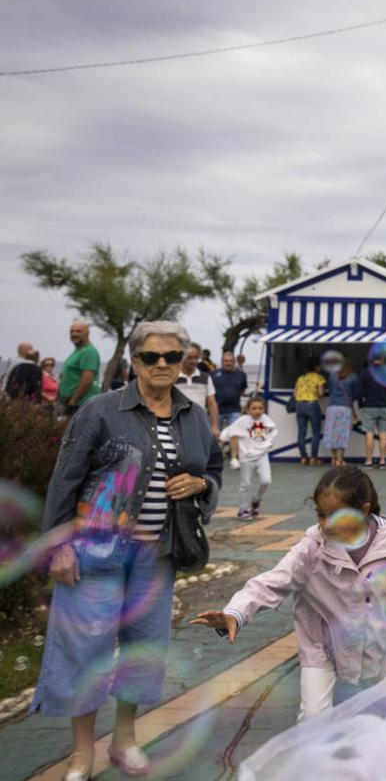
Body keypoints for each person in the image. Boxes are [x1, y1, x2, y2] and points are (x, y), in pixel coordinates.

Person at [33, 321, 222, 781]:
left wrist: (201, 484)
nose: (162, 365)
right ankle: (82, 754)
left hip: (159, 555)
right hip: (96, 554)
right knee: (85, 652)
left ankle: (124, 740)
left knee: (145, 650)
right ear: (134, 361)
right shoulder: (100, 411)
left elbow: (213, 468)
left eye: (172, 357)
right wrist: (58, 547)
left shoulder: (194, 417)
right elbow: (65, 479)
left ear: (184, 361)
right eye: (150, 357)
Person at [190, 466, 386, 721]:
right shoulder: (311, 549)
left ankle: (371, 757)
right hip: (320, 645)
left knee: (378, 707)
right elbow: (271, 581)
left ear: (364, 511)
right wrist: (235, 613)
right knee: (314, 716)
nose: (325, 525)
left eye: (334, 516)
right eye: (320, 515)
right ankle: (315, 758)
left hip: (371, 641)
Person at [220, 395, 278, 520]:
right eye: (254, 408)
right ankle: (243, 510)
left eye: (260, 408)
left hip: (262, 455)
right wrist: (234, 457)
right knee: (245, 484)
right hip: (246, 457)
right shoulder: (242, 421)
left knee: (266, 481)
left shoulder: (266, 420)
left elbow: (273, 431)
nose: (257, 411)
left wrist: (269, 442)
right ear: (247, 410)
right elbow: (233, 436)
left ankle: (256, 501)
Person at [358, 357, 386, 470]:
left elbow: (359, 391)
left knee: (369, 434)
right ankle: (382, 461)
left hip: (369, 406)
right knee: (383, 434)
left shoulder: (365, 373)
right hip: (384, 406)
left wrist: (361, 404)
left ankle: (369, 461)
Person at [59, 321, 102, 416]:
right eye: (72, 331)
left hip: (80, 404)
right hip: (70, 402)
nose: (74, 334)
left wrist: (73, 400)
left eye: (78, 331)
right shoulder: (78, 351)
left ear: (87, 333)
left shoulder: (89, 352)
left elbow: (87, 379)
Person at [176, 344, 220, 436]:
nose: (193, 361)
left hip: (200, 422)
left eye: (196, 358)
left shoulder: (205, 377)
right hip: (178, 422)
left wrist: (214, 426)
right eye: (190, 358)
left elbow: (212, 403)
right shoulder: (173, 377)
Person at [322, 361, 358, 467]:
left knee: (331, 433)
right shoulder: (353, 376)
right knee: (342, 434)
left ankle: (333, 458)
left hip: (332, 407)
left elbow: (331, 389)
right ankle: (340, 459)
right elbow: (355, 393)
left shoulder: (332, 376)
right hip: (345, 408)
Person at [293, 358, 326, 465]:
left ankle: (303, 457)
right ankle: (313, 458)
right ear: (316, 367)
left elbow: (294, 394)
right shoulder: (319, 378)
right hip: (312, 404)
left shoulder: (300, 378)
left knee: (301, 432)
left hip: (299, 405)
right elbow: (321, 393)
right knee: (315, 432)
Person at [212, 351, 247, 431]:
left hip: (234, 410)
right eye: (226, 361)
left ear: (234, 362)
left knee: (236, 434)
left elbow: (242, 390)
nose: (229, 363)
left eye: (231, 361)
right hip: (217, 410)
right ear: (222, 362)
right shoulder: (213, 375)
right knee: (214, 436)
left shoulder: (241, 375)